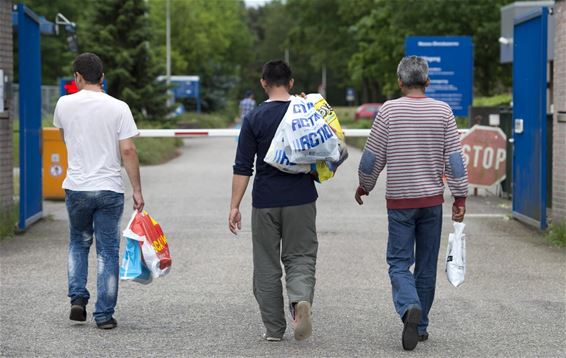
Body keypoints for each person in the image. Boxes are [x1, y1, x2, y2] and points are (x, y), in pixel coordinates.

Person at [355, 56, 468, 351]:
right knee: (426, 267)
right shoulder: (443, 111)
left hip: (401, 202)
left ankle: (409, 308)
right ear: (427, 81)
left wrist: (365, 185)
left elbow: (371, 156)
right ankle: (420, 326)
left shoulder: (389, 110)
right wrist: (460, 196)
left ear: (400, 82)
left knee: (398, 263)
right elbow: (454, 159)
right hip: (431, 202)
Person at [229, 60, 318, 342]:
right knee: (300, 257)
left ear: (263, 83)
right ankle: (300, 300)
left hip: (266, 201)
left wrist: (234, 206)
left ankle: (274, 330)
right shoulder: (305, 113)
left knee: (267, 264)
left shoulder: (254, 118)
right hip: (302, 199)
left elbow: (243, 166)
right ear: (291, 82)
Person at [54, 52, 144, 330]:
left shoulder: (64, 104)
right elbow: (127, 150)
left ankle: (78, 299)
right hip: (109, 189)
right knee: (107, 252)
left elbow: (64, 136)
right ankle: (104, 315)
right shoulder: (119, 107)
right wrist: (137, 190)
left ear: (77, 77)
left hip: (77, 188)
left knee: (78, 244)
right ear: (103, 77)